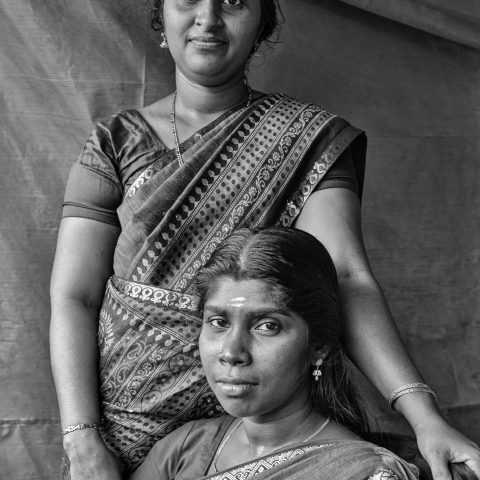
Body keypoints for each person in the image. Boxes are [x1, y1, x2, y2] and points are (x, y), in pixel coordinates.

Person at [49, 1, 480, 480]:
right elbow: (75, 295)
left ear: (262, 25)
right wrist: (83, 438)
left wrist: (424, 418)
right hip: (113, 439)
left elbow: (345, 276)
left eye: (234, 1)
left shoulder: (307, 141)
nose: (208, 19)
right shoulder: (115, 143)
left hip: (255, 431)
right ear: (160, 18)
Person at [129, 227, 420, 480]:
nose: (232, 352)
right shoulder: (185, 447)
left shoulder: (365, 472)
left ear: (318, 345)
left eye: (267, 326)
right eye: (218, 323)